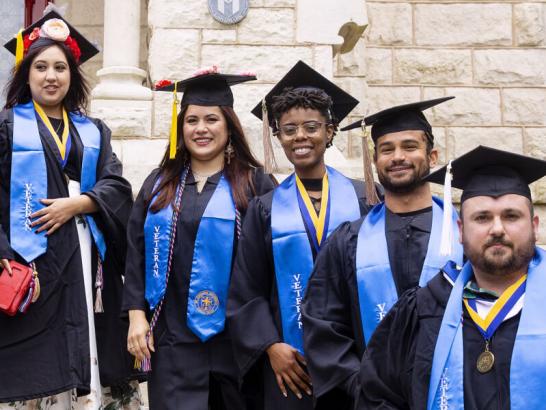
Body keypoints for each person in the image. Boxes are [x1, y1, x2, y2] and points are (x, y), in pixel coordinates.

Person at [0, 10, 139, 409]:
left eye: (60, 67)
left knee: (85, 344)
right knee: (36, 361)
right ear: (26, 74)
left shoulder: (93, 129)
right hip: (32, 261)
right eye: (40, 66)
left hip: (84, 254)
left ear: (72, 75)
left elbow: (116, 185)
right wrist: (5, 256)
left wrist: (81, 203)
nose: (51, 76)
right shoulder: (7, 127)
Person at [122, 67, 276, 410]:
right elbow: (135, 253)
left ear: (229, 126)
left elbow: (274, 263)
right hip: (172, 339)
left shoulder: (256, 184)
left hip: (239, 343)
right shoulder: (159, 185)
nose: (201, 129)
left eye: (211, 119)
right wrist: (136, 315)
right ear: (181, 128)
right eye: (192, 120)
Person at [227, 60, 376, 410]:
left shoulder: (365, 199)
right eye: (288, 129)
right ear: (277, 136)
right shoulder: (266, 208)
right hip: (290, 363)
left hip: (353, 357)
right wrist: (270, 346)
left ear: (330, 131)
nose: (300, 137)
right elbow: (246, 289)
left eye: (311, 127)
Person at [301, 97, 464, 409]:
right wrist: (363, 384)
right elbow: (323, 323)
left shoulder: (463, 235)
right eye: (387, 149)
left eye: (409, 146)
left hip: (454, 393)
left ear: (432, 156)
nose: (398, 157)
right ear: (375, 161)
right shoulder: (348, 240)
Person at [358, 145, 546, 409]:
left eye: (511, 216)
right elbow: (378, 394)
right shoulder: (425, 307)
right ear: (460, 230)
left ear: (534, 227)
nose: (497, 229)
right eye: (481, 218)